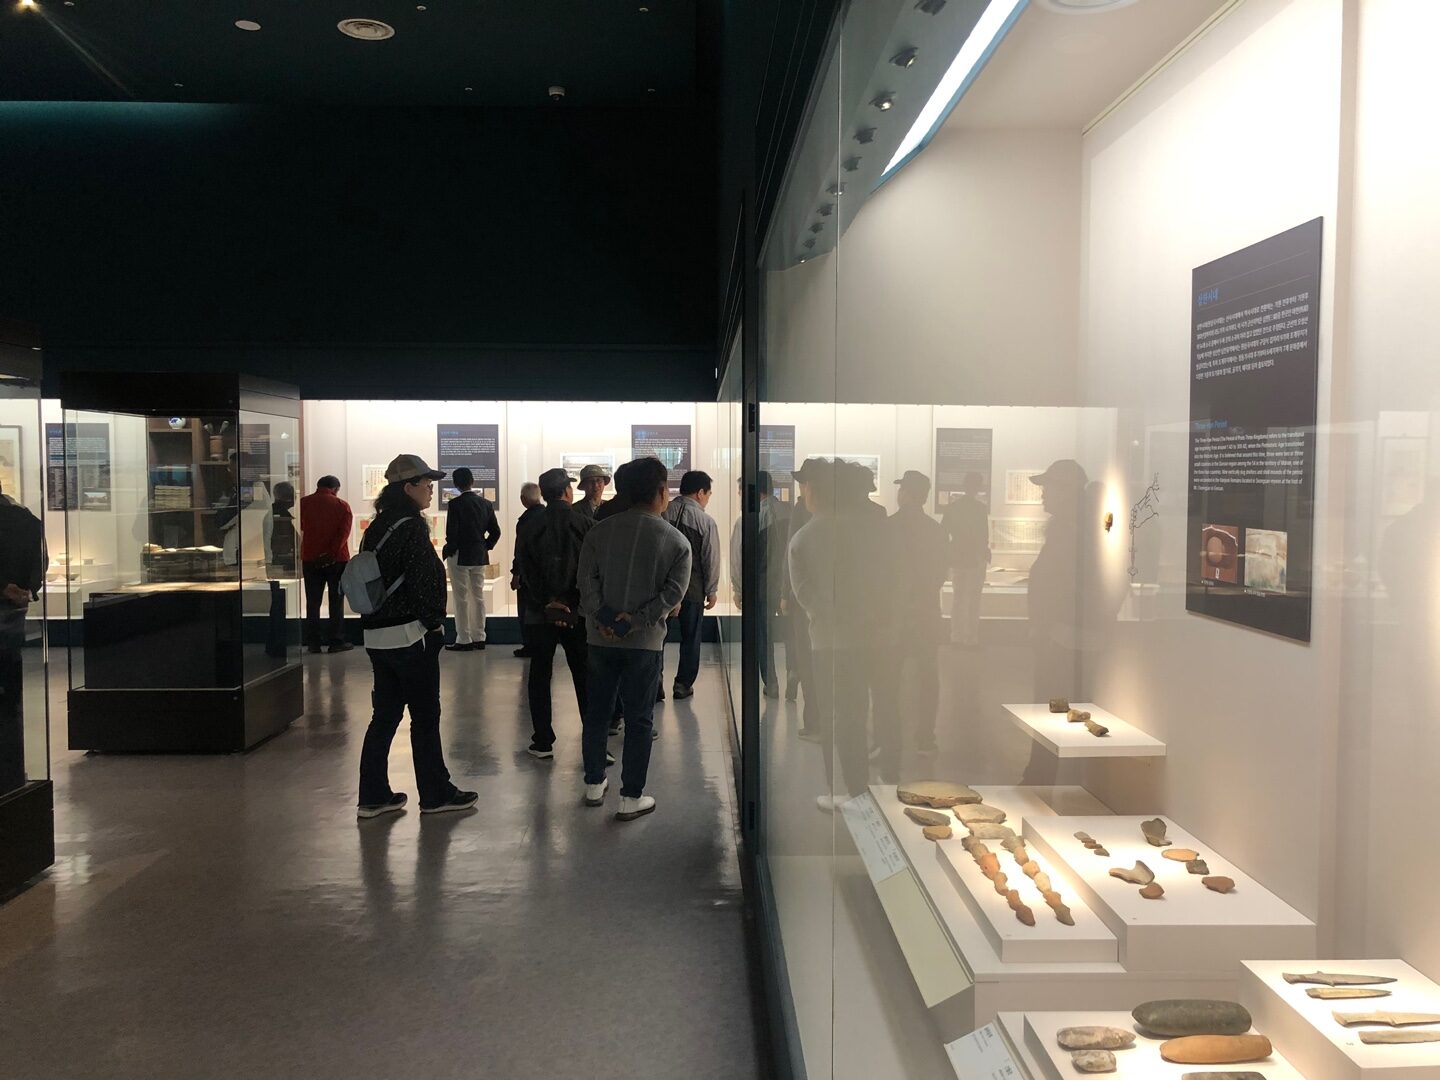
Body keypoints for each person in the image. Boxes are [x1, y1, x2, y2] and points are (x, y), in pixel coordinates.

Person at [356, 454, 477, 818]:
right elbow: (424, 580)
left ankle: (373, 796)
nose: (430, 491)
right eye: (426, 484)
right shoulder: (411, 528)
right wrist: (434, 623)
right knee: (424, 716)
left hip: (377, 636)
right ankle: (435, 793)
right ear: (408, 488)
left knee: (384, 716)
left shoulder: (376, 528)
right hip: (411, 636)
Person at [578, 457, 691, 821]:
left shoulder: (598, 533)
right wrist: (636, 621)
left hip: (600, 639)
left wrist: (607, 619)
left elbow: (586, 584)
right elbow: (672, 594)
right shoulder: (676, 541)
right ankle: (631, 796)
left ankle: (594, 783)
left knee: (597, 713)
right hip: (644, 644)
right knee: (640, 719)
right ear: (661, 492)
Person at [515, 468, 593, 758]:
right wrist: (571, 602)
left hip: (540, 613)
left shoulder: (529, 525)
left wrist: (547, 601)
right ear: (567, 492)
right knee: (584, 675)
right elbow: (591, 570)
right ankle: (593, 741)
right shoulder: (585, 524)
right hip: (577, 612)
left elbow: (525, 569)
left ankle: (543, 740)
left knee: (539, 674)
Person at [874, 470, 947, 768]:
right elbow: (940, 573)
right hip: (927, 613)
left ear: (905, 493)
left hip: (894, 615)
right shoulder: (936, 530)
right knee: (928, 677)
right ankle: (925, 738)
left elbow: (880, 573)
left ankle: (887, 740)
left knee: (887, 680)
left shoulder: (887, 527)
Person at [0, 480, 44, 795]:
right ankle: (11, 773)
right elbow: (39, 563)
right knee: (9, 698)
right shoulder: (25, 518)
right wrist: (26, 589)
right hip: (12, 613)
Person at [662, 470, 721, 699]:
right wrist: (712, 590)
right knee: (691, 638)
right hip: (693, 589)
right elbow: (710, 558)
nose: (708, 499)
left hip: (664, 587)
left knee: (659, 637)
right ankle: (683, 684)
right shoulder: (705, 521)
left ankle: (655, 684)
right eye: (709, 494)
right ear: (700, 493)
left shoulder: (663, 512)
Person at [441, 466, 501, 652]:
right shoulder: (486, 504)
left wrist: (449, 550)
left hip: (460, 554)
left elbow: (452, 533)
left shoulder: (455, 504)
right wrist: (485, 546)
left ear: (456, 484)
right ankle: (479, 636)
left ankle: (464, 638)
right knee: (478, 596)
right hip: (478, 554)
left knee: (461, 598)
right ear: (472, 481)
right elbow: (496, 532)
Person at [299, 475, 354, 653]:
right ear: (335, 489)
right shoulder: (342, 506)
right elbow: (343, 534)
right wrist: (330, 554)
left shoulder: (304, 503)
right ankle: (336, 641)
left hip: (310, 557)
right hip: (336, 560)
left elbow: (302, 527)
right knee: (336, 601)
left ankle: (313, 642)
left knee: (313, 601)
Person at [942, 471, 990, 649]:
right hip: (975, 557)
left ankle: (957, 637)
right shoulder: (980, 508)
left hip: (959, 556)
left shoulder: (953, 507)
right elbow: (983, 535)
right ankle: (970, 638)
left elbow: (944, 532)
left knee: (959, 598)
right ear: (978, 487)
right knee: (973, 599)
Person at [510, 481, 545, 658]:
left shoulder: (525, 521)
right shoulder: (548, 516)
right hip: (546, 572)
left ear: (523, 499)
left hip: (528, 573)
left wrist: (516, 574)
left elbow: (520, 550)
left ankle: (529, 645)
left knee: (526, 611)